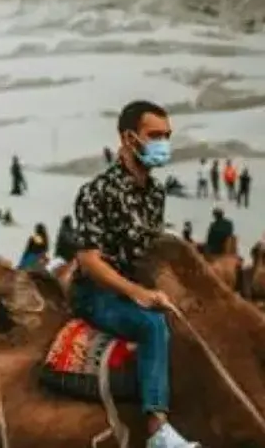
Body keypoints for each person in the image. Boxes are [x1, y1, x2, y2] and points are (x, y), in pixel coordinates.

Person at [72, 100, 196, 447]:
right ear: (129, 138)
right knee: (151, 325)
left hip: (139, 287)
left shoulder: (156, 191)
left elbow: (150, 249)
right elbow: (89, 261)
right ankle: (157, 428)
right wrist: (136, 293)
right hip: (98, 294)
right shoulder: (96, 192)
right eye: (155, 135)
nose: (163, 143)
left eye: (167, 136)